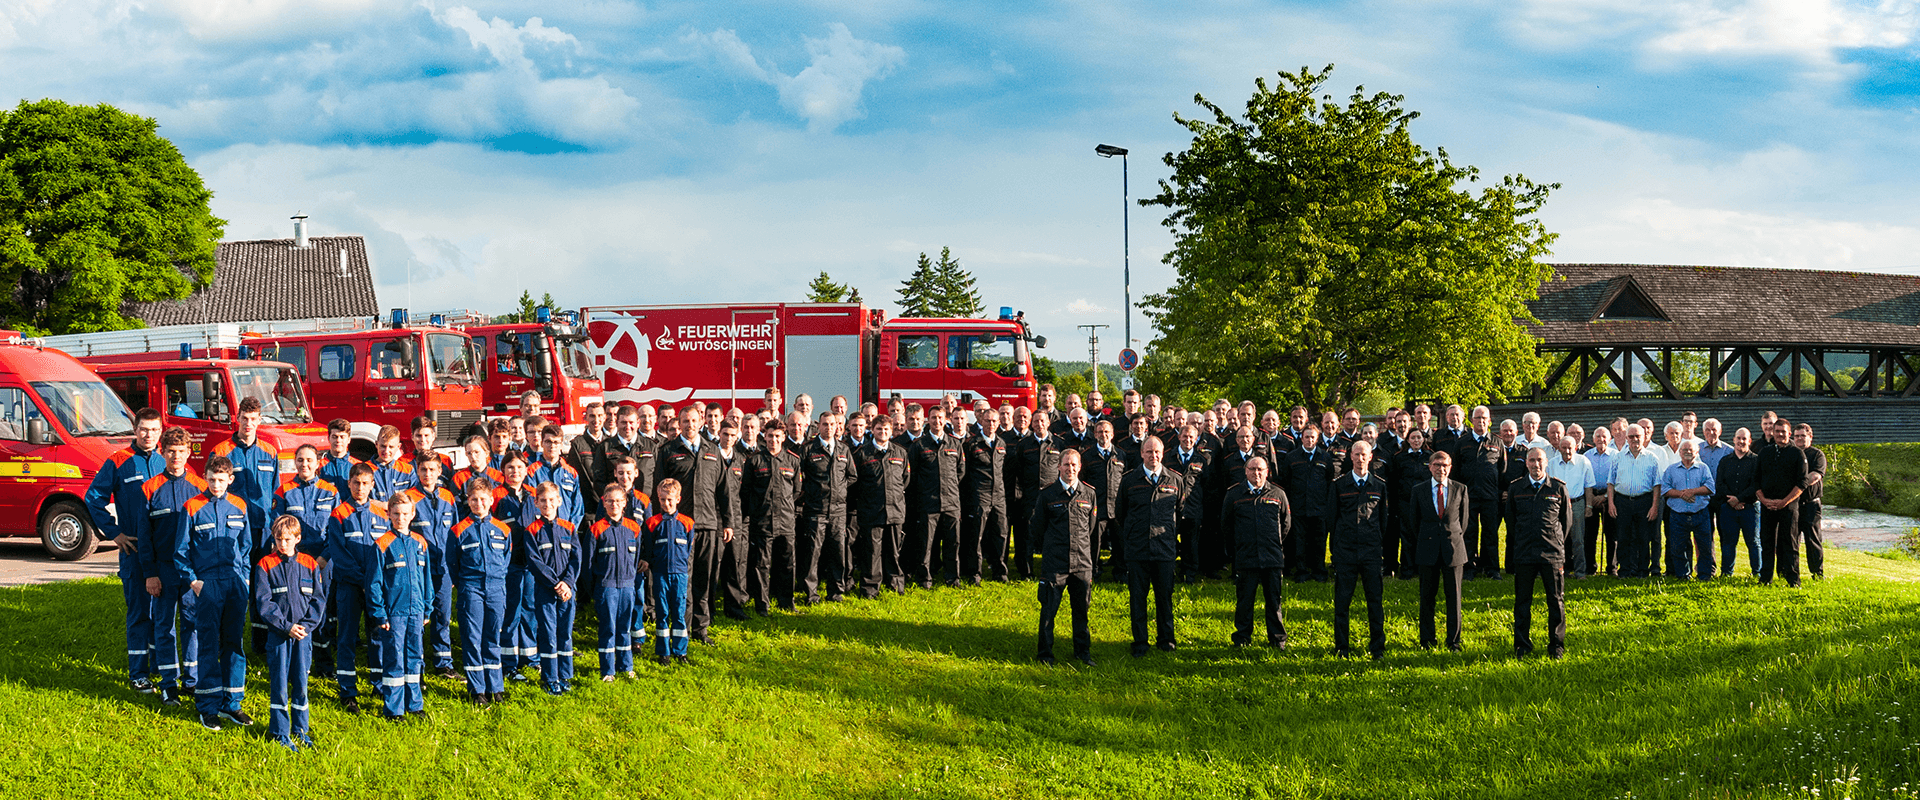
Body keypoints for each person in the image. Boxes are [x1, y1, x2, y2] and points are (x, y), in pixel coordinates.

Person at [84, 406, 166, 696]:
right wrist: (114, 533)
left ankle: (159, 667)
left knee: (162, 613)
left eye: (155, 430)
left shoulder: (164, 460)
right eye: (144, 429)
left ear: (161, 432)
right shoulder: (118, 461)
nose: (149, 435)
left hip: (163, 552)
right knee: (139, 614)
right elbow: (93, 497)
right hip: (133, 552)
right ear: (135, 429)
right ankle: (139, 674)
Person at [176, 456, 254, 731]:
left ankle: (232, 703)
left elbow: (246, 547)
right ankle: (207, 706)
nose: (216, 484)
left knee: (234, 644)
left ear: (230, 480)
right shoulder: (193, 507)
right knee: (208, 645)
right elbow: (181, 551)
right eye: (211, 479)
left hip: (234, 584)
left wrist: (243, 578)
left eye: (222, 480)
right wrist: (194, 582)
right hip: (207, 585)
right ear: (205, 478)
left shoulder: (239, 505)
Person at [134, 427, 207, 707]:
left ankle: (192, 680)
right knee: (164, 627)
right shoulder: (150, 488)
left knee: (192, 624)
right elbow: (145, 536)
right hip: (163, 570)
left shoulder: (200, 487)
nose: (176, 456)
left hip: (191, 571)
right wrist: (150, 573)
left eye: (181, 451)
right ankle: (168, 684)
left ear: (189, 453)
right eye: (171, 451)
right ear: (162, 453)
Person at [654, 407, 738, 644]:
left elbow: (724, 490)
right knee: (684, 580)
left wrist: (728, 522)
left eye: (693, 420)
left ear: (701, 421)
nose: (689, 424)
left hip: (709, 525)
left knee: (706, 578)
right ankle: (683, 628)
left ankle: (702, 628)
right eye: (684, 421)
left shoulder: (713, 451)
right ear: (678, 424)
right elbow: (657, 490)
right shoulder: (668, 451)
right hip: (679, 528)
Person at [322, 463, 391, 713]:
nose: (360, 488)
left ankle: (379, 683)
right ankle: (348, 689)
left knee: (378, 635)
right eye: (356, 483)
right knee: (347, 637)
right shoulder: (339, 514)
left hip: (376, 588)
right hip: (349, 585)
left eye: (365, 483)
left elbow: (387, 548)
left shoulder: (384, 513)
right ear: (349, 484)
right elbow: (339, 553)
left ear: (373, 485)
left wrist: (374, 582)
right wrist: (363, 581)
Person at [253, 516, 325, 750]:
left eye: (287, 539)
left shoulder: (310, 564)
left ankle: (301, 730)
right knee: (280, 684)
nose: (283, 543)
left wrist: (306, 626)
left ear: (298, 538)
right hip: (279, 635)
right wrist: (286, 627)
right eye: (278, 539)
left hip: (304, 635)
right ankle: (279, 732)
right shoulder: (265, 564)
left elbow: (318, 600)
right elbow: (264, 603)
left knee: (301, 683)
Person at [1115, 436, 1184, 656]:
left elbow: (1180, 514)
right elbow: (1120, 513)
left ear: (1163, 453)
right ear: (1141, 454)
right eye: (1148, 452)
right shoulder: (1129, 480)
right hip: (1138, 549)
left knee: (1164, 597)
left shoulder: (1175, 480)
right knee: (1138, 597)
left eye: (1157, 452)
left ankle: (1166, 639)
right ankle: (1140, 642)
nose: (1153, 456)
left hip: (1164, 549)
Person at [369, 493, 435, 718]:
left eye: (405, 514)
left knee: (416, 657)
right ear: (388, 514)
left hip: (417, 611)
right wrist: (380, 613)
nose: (401, 518)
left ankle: (415, 704)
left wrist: (427, 607)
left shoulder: (420, 543)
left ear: (413, 514)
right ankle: (394, 708)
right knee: (394, 658)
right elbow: (374, 583)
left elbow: (426, 578)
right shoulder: (382, 545)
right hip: (394, 613)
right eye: (396, 514)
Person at [1031, 449, 1097, 666]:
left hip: (1081, 563)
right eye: (1066, 465)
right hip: (1055, 563)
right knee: (1049, 612)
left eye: (1074, 465)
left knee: (1081, 612)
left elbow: (1092, 528)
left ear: (1080, 467)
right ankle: (1045, 655)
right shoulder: (1047, 494)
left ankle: (1083, 653)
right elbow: (1038, 528)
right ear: (1058, 466)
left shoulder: (1089, 494)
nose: (1070, 469)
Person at [1507, 448, 1574, 659]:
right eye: (1532, 460)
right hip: (1524, 552)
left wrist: (1556, 542)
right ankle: (1522, 646)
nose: (1536, 465)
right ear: (1526, 463)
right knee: (1522, 602)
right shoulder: (1516, 488)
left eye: (1539, 460)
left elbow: (1566, 521)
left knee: (1555, 600)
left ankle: (1556, 646)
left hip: (1551, 553)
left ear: (1546, 463)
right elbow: (1511, 520)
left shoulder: (1558, 487)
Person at [450, 476, 512, 706]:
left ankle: (495, 687)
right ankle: (477, 689)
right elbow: (453, 563)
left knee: (493, 637)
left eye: (483, 499)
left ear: (491, 499)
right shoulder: (458, 530)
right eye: (474, 500)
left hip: (496, 587)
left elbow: (506, 559)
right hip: (471, 587)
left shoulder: (503, 529)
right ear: (468, 500)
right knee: (472, 639)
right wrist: (466, 583)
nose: (479, 504)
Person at [1327, 440, 1389, 660]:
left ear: (1370, 457)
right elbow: (1332, 520)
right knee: (1342, 602)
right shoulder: (1339, 485)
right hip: (1346, 552)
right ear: (1350, 457)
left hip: (1371, 552)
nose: (1360, 459)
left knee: (1375, 602)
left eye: (1364, 455)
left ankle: (1377, 648)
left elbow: (1383, 521)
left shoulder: (1379, 485)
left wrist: (1375, 542)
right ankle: (1342, 647)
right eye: (1356, 454)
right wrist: (1337, 548)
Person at [398, 457, 458, 678]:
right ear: (417, 470)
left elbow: (455, 534)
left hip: (443, 567)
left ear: (440, 471)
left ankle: (443, 662)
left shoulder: (448, 497)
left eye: (432, 469)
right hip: (417, 568)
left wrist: (453, 566)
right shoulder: (409, 498)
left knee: (442, 614)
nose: (427, 473)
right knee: (417, 616)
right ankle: (416, 662)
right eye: (423, 469)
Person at [1225, 456, 1290, 649]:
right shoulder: (1234, 494)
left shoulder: (1279, 494)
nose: (1256, 473)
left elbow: (1285, 525)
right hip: (1246, 556)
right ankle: (1243, 637)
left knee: (1274, 601)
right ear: (1245, 471)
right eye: (1252, 469)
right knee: (1245, 600)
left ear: (1267, 471)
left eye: (1260, 469)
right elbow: (1226, 525)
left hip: (1272, 557)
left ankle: (1277, 639)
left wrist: (1274, 544)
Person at [522, 482, 581, 694]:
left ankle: (565, 676)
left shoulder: (569, 528)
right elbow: (534, 561)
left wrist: (568, 583)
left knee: (564, 632)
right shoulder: (531, 531)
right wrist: (555, 583)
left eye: (551, 500)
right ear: (536, 502)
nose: (548, 504)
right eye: (543, 500)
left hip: (567, 590)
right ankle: (549, 678)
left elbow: (576, 559)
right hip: (546, 590)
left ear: (559, 501)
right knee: (548, 633)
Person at [1409, 450, 1469, 651]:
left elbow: (1464, 521)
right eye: (1437, 465)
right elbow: (1414, 522)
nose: (1441, 469)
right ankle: (1427, 640)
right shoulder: (1418, 490)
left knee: (1454, 598)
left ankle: (1453, 641)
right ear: (1430, 467)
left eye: (1445, 465)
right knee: (1427, 597)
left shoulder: (1461, 489)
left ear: (1450, 468)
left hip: (1453, 550)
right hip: (1427, 549)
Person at [796, 412, 856, 602]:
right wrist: (812, 493)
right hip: (816, 509)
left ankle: (836, 592)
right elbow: (800, 477)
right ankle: (810, 593)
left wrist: (839, 491)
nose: (829, 427)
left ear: (838, 427)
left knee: (838, 553)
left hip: (838, 511)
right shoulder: (808, 450)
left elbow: (852, 476)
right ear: (818, 426)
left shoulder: (843, 450)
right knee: (812, 553)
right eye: (825, 424)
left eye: (832, 424)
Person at [743, 419, 802, 612]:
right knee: (761, 565)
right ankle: (762, 605)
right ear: (764, 436)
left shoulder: (793, 460)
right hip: (762, 521)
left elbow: (797, 491)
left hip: (786, 521)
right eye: (770, 436)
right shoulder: (754, 461)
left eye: (777, 436)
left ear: (784, 437)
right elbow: (747, 491)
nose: (773, 440)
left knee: (786, 564)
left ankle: (786, 602)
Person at [589, 484, 644, 680]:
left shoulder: (634, 528)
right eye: (610, 501)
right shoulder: (597, 529)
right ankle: (607, 670)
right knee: (608, 628)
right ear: (604, 503)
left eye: (619, 501)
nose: (615, 504)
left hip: (628, 586)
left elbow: (636, 558)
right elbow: (589, 562)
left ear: (625, 503)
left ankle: (626, 666)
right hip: (607, 587)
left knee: (624, 628)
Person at [854, 415, 913, 596]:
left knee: (894, 551)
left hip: (895, 510)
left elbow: (905, 480)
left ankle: (895, 584)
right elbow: (855, 483)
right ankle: (870, 588)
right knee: (872, 552)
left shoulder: (900, 453)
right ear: (872, 430)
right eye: (879, 429)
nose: (883, 432)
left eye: (887, 429)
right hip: (872, 511)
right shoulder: (862, 453)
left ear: (891, 431)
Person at [907, 408, 964, 590]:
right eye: (933, 418)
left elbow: (960, 472)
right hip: (928, 503)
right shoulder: (919, 445)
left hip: (951, 502)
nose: (937, 421)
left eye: (940, 417)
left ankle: (952, 578)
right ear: (927, 420)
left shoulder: (955, 445)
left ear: (945, 420)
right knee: (926, 544)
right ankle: (925, 580)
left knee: (952, 543)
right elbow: (912, 475)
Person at [643, 479, 697, 665]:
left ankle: (680, 651)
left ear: (678, 499)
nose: (666, 504)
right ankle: (663, 652)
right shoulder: (652, 523)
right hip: (659, 574)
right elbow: (648, 550)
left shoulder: (688, 523)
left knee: (679, 613)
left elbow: (689, 549)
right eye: (662, 499)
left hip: (680, 574)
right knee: (662, 612)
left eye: (670, 500)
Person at [1456, 406, 1508, 580]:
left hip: (1490, 496)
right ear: (1471, 420)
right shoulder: (1462, 442)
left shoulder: (1497, 442)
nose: (1481, 421)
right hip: (1468, 496)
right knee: (1468, 532)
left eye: (1484, 418)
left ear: (1489, 420)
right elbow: (1455, 470)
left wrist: (1498, 491)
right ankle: (1469, 568)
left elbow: (1503, 469)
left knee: (1490, 533)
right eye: (1477, 418)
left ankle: (1492, 568)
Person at [1755, 419, 1807, 587]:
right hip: (1767, 505)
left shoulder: (1797, 454)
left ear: (1789, 433)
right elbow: (1756, 480)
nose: (1779, 434)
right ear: (1773, 433)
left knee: (1790, 543)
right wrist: (1764, 500)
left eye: (1783, 432)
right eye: (1777, 431)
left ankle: (1793, 580)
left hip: (1789, 506)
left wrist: (1784, 502)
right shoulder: (1765, 452)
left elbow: (1802, 484)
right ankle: (1765, 579)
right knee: (1766, 542)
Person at [1607, 424, 1663, 579]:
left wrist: (1654, 506)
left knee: (1644, 538)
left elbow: (1657, 485)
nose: (1634, 439)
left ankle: (1642, 571)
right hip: (1622, 501)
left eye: (1637, 436)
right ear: (1626, 438)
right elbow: (1610, 483)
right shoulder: (1617, 457)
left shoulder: (1652, 458)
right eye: (1631, 436)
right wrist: (1611, 503)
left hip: (1644, 501)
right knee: (1623, 537)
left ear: (1644, 437)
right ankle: (1624, 571)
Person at [961, 409, 1010, 584]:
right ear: (981, 422)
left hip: (998, 496)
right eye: (987, 421)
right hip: (978, 496)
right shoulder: (972, 444)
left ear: (999, 423)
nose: (991, 424)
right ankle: (974, 574)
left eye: (994, 421)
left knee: (1001, 535)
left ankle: (1000, 572)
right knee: (976, 537)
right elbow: (963, 473)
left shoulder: (1002, 443)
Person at [1282, 426, 1335, 582]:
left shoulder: (1325, 457)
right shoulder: (1292, 457)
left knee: (1319, 541)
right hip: (1299, 507)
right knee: (1300, 541)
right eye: (1307, 437)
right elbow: (1287, 480)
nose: (1309, 440)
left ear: (1317, 439)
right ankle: (1302, 571)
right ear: (1302, 438)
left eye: (1313, 437)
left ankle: (1319, 570)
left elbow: (1329, 479)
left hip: (1319, 507)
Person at [1080, 420, 1128, 581]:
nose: (1103, 435)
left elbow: (1126, 479)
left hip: (1117, 507)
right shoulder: (1087, 456)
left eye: (1107, 432)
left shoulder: (1121, 455)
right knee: (1095, 543)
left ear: (1112, 434)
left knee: (1120, 543)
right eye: (1100, 432)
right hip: (1096, 507)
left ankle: (1120, 571)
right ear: (1094, 435)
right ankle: (1093, 570)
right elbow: (1082, 482)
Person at [1661, 440, 1715, 580]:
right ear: (1679, 452)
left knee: (1704, 547)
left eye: (1691, 450)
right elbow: (1664, 489)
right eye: (1684, 449)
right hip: (1678, 515)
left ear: (1697, 452)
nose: (1687, 452)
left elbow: (1710, 487)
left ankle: (1704, 575)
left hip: (1700, 513)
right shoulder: (1671, 470)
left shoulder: (1703, 468)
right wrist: (1681, 494)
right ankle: (1683, 575)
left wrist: (1692, 492)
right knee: (1678, 547)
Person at [1714, 427, 1763, 577]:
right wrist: (1732, 501)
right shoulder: (1725, 461)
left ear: (1749, 441)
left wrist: (1739, 499)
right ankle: (1727, 573)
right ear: (1734, 440)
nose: (1741, 441)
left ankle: (1757, 573)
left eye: (1744, 439)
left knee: (1753, 543)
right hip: (1728, 508)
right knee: (1728, 542)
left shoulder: (1756, 460)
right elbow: (1719, 483)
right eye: (1738, 438)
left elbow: (1756, 484)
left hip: (1750, 507)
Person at [1546, 436, 1596, 580]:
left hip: (1577, 503)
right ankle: (1559, 570)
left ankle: (1580, 572)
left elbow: (1588, 486)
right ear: (1559, 448)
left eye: (1570, 448)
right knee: (1557, 539)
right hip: (1557, 505)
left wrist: (1589, 506)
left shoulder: (1583, 461)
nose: (1567, 451)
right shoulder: (1552, 464)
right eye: (1564, 447)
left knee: (1578, 539)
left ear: (1575, 447)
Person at [1167, 425, 1212, 582]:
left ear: (1196, 439)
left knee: (1190, 543)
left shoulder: (1201, 460)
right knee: (1170, 541)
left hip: (1193, 508)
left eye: (1191, 437)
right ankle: (1169, 571)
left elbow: (1206, 485)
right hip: (1171, 508)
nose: (1188, 440)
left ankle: (1189, 573)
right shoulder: (1168, 457)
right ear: (1179, 437)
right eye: (1185, 436)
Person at [1794, 424, 1827, 580]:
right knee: (1791, 540)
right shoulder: (1791, 454)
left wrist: (1797, 485)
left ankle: (1817, 573)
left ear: (1810, 437)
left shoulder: (1817, 455)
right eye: (1797, 436)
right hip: (1793, 505)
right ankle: (1791, 573)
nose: (1800, 438)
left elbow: (1815, 476)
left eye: (1803, 435)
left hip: (1811, 504)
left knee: (1813, 540)